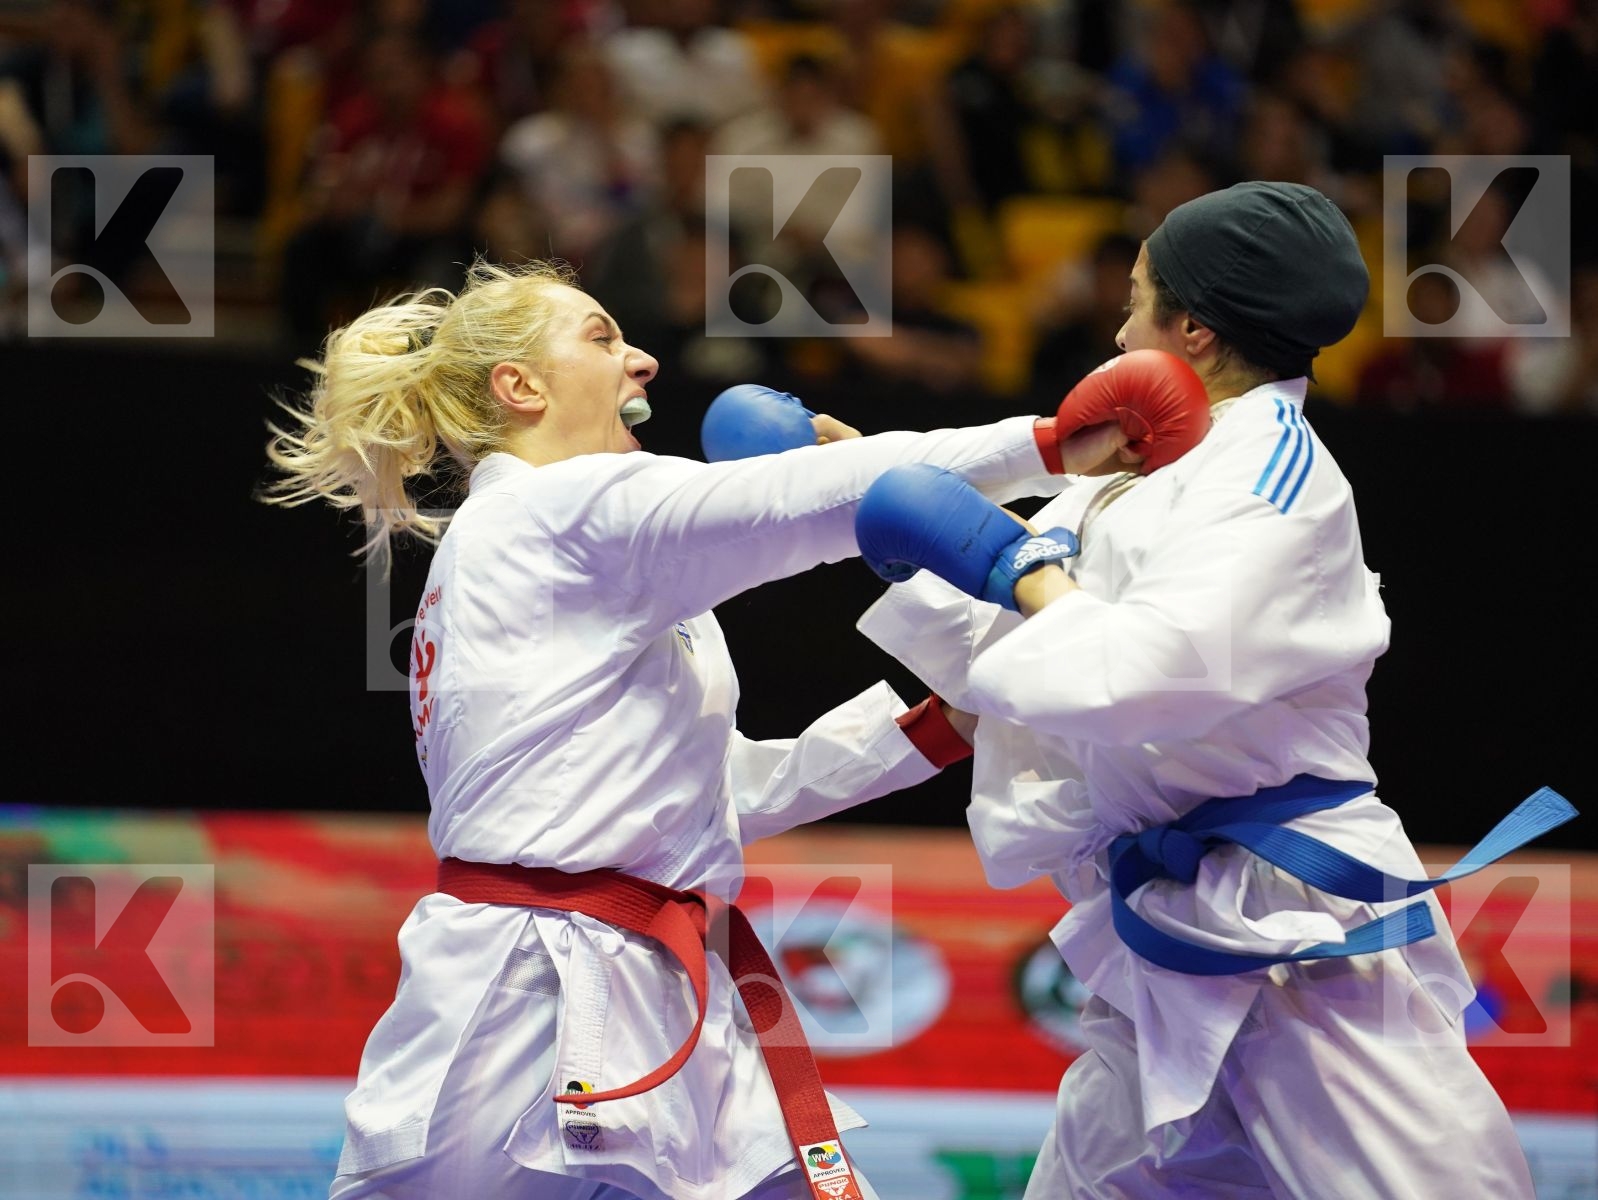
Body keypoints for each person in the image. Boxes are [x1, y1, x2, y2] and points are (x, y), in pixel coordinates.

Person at [260, 258, 1139, 1200]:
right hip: (528, 992)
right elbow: (808, 501)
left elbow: (712, 795)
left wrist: (928, 731)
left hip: (658, 973)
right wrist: (1052, 443)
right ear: (520, 387)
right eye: (601, 338)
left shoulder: (580, 551)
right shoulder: (551, 512)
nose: (642, 360)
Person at [852, 182, 1570, 1197]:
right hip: (1161, 923)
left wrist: (1015, 567)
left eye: (1135, 302)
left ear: (1191, 329)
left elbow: (1133, 674)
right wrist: (859, 499)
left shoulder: (1277, 480)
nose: (1117, 329)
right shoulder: (1141, 466)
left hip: (1293, 933)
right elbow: (1014, 647)